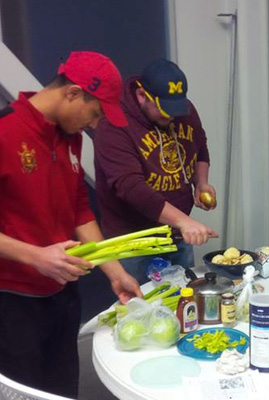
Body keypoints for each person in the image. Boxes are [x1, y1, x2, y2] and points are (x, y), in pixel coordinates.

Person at [0, 51, 142, 398]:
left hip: (63, 296)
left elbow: (80, 209)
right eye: (94, 113)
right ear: (72, 93)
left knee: (63, 390)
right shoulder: (5, 132)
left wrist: (115, 272)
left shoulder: (70, 138)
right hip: (13, 301)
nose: (94, 124)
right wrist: (35, 256)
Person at [94, 58, 218, 283]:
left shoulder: (183, 110)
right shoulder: (114, 124)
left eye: (175, 110)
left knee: (183, 302)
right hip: (134, 243)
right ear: (142, 95)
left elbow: (200, 147)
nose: (170, 117)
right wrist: (183, 221)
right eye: (163, 110)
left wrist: (201, 183)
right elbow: (130, 188)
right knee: (142, 311)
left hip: (175, 236)